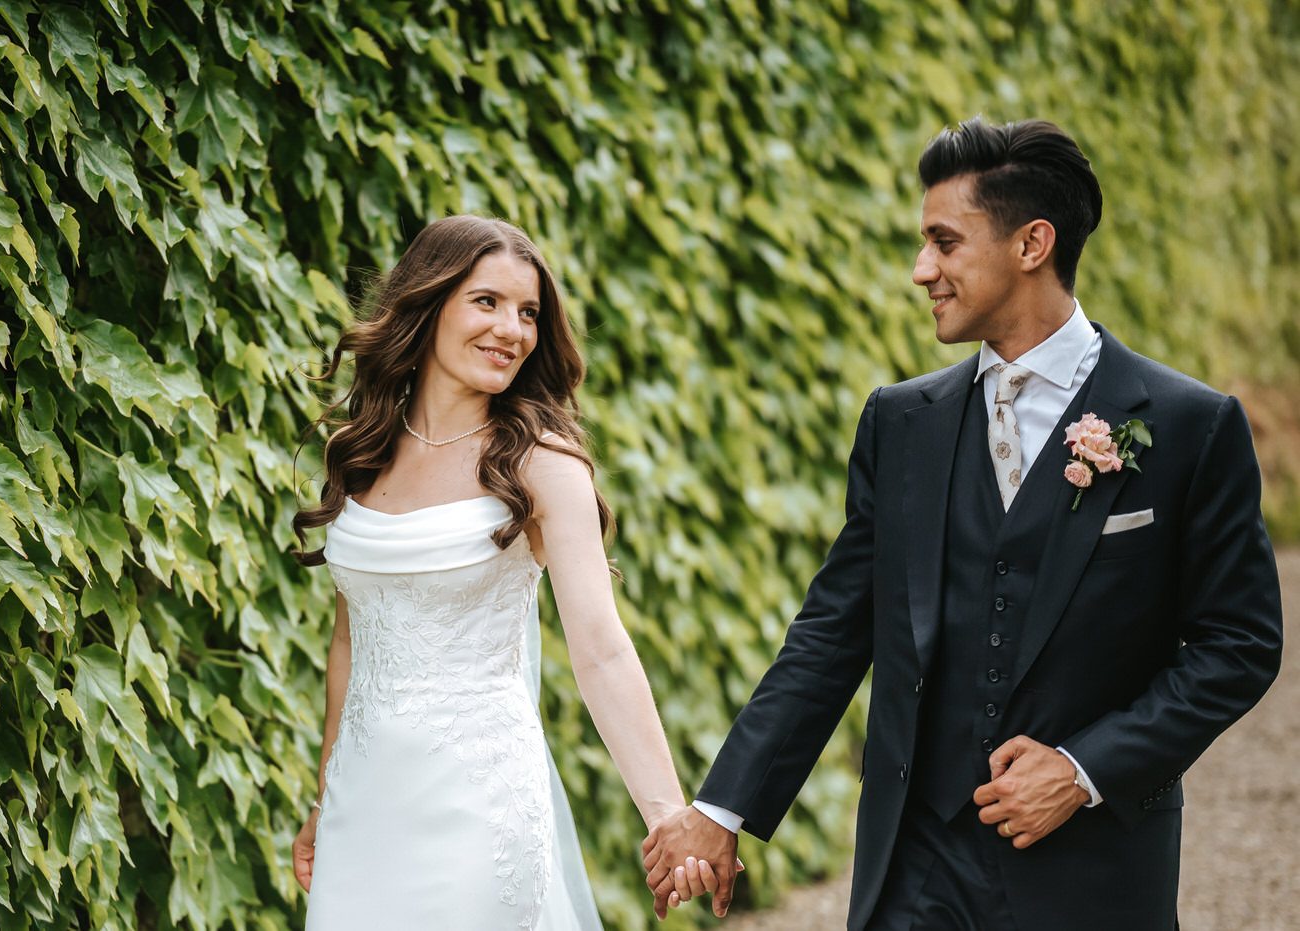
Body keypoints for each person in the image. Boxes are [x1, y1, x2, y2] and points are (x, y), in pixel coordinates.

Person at [642, 118, 1285, 930]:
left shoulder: (1191, 426)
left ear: (1032, 244)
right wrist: (722, 808)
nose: (922, 270)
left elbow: (1240, 643)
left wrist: (1085, 767)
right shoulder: (899, 422)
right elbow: (834, 631)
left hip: (1092, 871)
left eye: (945, 243)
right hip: (915, 868)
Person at [289, 215, 698, 929]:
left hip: (478, 811)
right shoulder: (363, 451)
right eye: (487, 301)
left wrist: (668, 812)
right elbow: (351, 645)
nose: (512, 328)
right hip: (360, 811)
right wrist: (327, 798)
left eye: (529, 311)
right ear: (429, 302)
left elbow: (601, 649)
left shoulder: (542, 465)